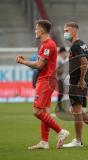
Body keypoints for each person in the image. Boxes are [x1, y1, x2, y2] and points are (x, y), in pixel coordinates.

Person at [16, 20, 69, 149]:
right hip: (46, 79)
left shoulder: (48, 45)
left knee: (37, 111)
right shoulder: (45, 44)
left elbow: (40, 65)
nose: (35, 31)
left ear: (42, 30)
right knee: (44, 111)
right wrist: (26, 61)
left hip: (46, 80)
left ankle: (61, 132)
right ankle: (44, 142)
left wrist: (23, 62)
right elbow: (40, 63)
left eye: (36, 28)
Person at [62, 22, 88, 148]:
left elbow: (84, 63)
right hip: (81, 80)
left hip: (77, 82)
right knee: (77, 109)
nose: (65, 33)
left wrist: (81, 79)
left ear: (74, 31)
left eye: (67, 30)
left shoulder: (76, 46)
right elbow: (87, 61)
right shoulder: (82, 44)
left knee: (76, 111)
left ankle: (78, 140)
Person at [56, 46, 67, 111]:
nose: (65, 53)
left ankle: (61, 106)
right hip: (60, 78)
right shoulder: (58, 59)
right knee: (61, 92)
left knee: (62, 93)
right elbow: (56, 69)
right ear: (62, 52)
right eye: (64, 52)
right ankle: (59, 107)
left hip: (63, 78)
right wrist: (63, 70)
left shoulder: (62, 59)